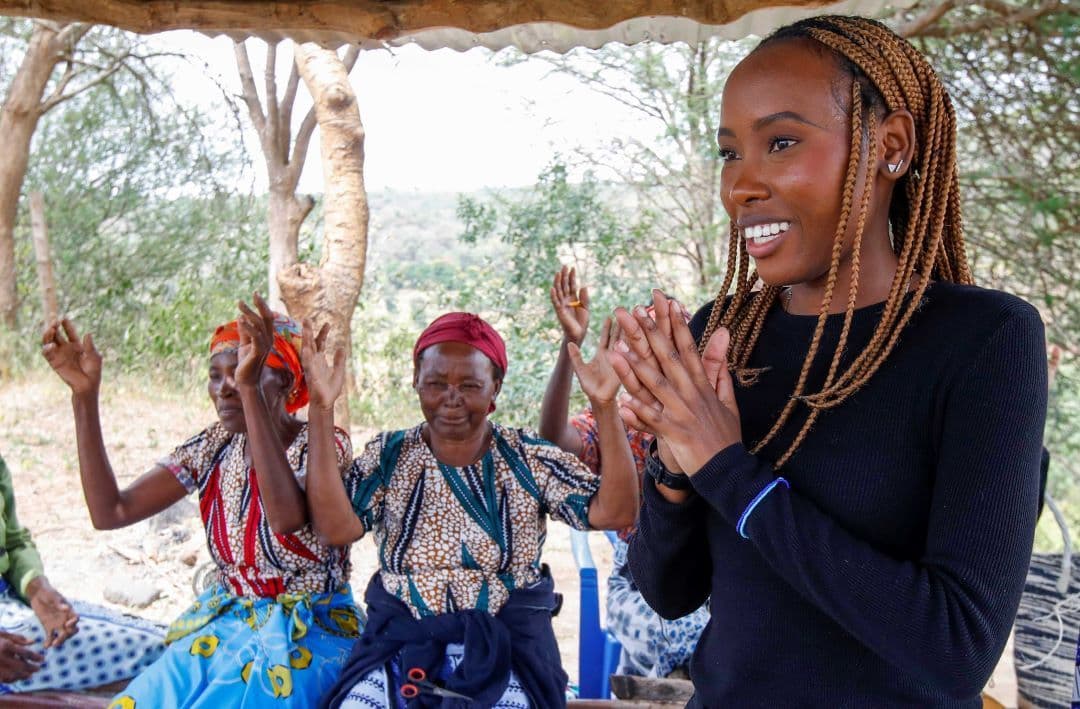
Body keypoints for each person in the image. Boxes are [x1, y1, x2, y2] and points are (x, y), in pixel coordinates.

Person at [607, 15, 1048, 707]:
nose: (740, 186)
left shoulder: (984, 341)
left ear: (890, 147)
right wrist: (675, 466)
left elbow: (957, 647)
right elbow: (668, 591)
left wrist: (728, 467)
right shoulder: (725, 335)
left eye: (780, 142)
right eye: (730, 154)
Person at [300, 312, 639, 708]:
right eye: (436, 383)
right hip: (401, 648)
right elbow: (334, 530)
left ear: (495, 389)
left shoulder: (527, 457)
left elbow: (615, 512)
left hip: (507, 653)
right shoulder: (390, 456)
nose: (452, 398)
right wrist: (321, 410)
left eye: (470, 385)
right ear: (415, 382)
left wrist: (604, 404)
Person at [41, 295, 363, 708]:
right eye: (216, 375)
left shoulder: (320, 444)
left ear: (285, 382)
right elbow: (111, 512)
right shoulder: (215, 444)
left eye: (246, 371)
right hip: (226, 622)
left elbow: (285, 517)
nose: (226, 387)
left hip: (308, 629)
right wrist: (84, 396)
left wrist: (248, 392)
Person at [539, 266, 708, 678]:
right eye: (640, 352)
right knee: (681, 635)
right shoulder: (617, 419)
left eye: (666, 350)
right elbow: (554, 438)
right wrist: (571, 344)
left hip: (715, 576)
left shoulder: (714, 415)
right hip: (639, 578)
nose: (653, 365)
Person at [0, 453, 163, 696]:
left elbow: (13, 542)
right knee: (159, 655)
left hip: (10, 600)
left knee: (171, 643)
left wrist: (36, 587)